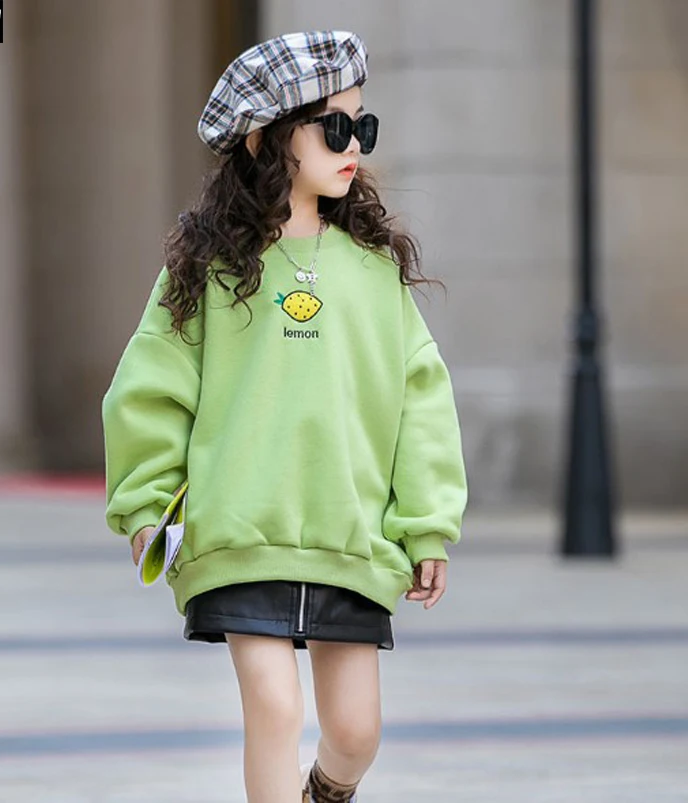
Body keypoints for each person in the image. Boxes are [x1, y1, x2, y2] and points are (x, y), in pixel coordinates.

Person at [102, 30, 468, 803]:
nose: (353, 144)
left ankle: (321, 793)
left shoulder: (373, 270)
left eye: (362, 126)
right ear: (266, 137)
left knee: (356, 731)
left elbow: (421, 396)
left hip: (352, 536)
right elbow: (150, 387)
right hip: (239, 531)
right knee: (273, 705)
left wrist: (427, 523)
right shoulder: (208, 266)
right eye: (334, 126)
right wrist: (145, 501)